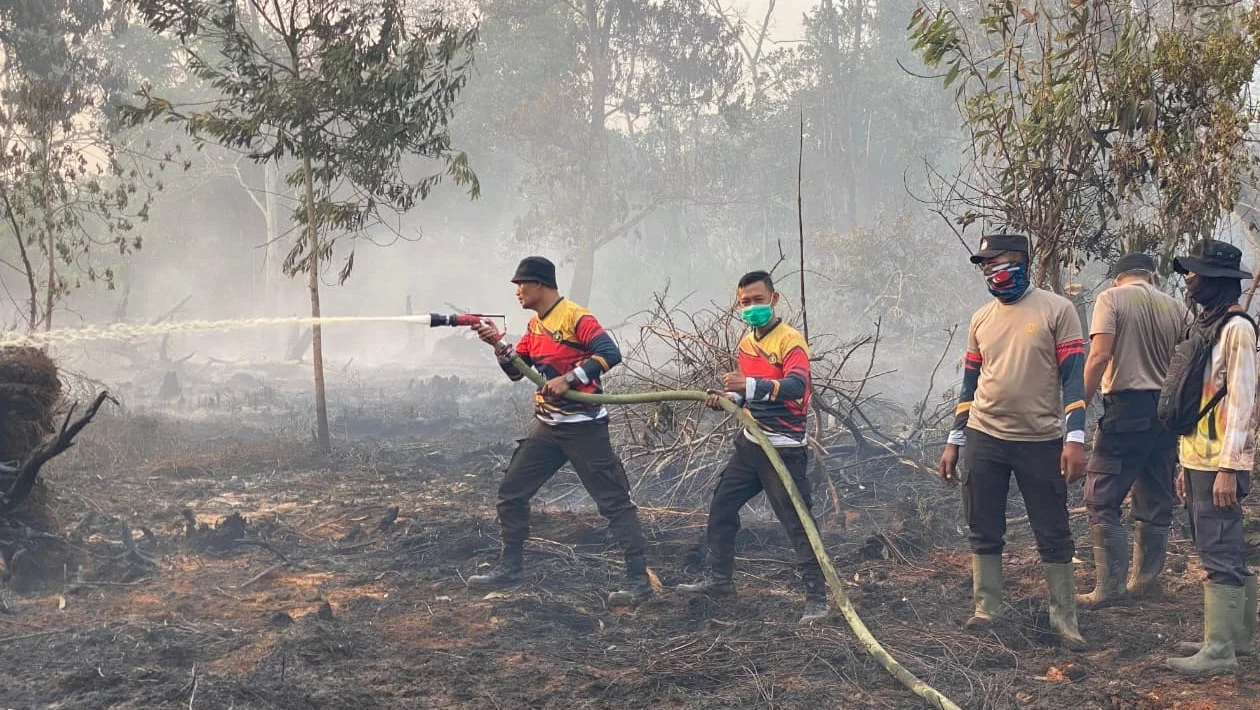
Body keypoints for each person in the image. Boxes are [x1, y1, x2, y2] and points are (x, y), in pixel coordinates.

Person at [468, 256, 653, 605]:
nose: (517, 292)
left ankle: (638, 581)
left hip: (585, 429)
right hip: (549, 428)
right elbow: (515, 371)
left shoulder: (576, 317)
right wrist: (496, 344)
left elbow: (610, 354)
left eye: (521, 284)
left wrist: (569, 378)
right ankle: (510, 568)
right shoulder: (536, 327)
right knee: (512, 492)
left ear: (539, 284)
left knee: (614, 502)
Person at [937, 233, 1088, 649]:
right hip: (984, 435)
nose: (988, 269)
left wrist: (1075, 437)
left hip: (1041, 439)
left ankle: (1065, 618)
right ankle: (987, 608)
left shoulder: (1058, 310)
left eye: (995, 260)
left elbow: (1074, 377)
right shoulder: (981, 318)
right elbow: (969, 385)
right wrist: (954, 441)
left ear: (1020, 260)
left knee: (1053, 528)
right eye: (983, 264)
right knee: (983, 523)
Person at [677, 270, 828, 625]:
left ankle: (817, 599)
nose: (751, 308)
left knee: (798, 523)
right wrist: (729, 396)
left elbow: (795, 386)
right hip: (750, 444)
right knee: (721, 506)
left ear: (774, 300)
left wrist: (748, 385)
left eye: (758, 301)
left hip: (784, 448)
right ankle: (720, 579)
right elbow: (750, 392)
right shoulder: (746, 344)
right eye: (745, 303)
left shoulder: (791, 341)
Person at [1164, 239, 1258, 676]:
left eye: (1194, 272)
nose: (1188, 279)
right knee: (1217, 545)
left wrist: (1229, 467)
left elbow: (1243, 403)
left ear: (1217, 280)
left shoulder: (1237, 329)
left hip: (1219, 461)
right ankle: (1233, 638)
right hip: (1198, 457)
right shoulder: (1208, 324)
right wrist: (1187, 463)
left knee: (1219, 548)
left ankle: (1220, 650)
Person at [1076, 253, 1189, 607]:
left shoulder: (1111, 299)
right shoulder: (1176, 307)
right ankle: (1146, 582)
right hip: (1166, 411)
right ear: (1152, 277)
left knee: (1101, 495)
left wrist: (1077, 406)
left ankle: (1109, 587)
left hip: (1127, 409)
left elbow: (1099, 356)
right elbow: (1189, 360)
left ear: (1117, 278)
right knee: (1156, 496)